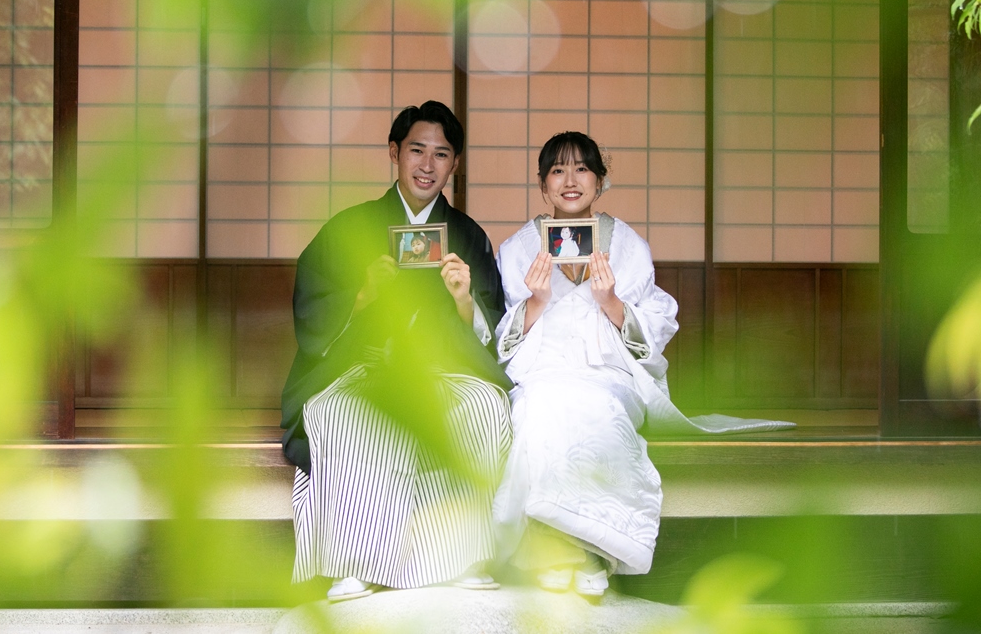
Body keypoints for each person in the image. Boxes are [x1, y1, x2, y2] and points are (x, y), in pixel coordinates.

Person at [492, 131, 793, 598]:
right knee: (539, 412)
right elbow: (504, 340)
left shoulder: (626, 244)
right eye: (558, 170)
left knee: (600, 414)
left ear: (600, 180)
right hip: (545, 374)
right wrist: (535, 301)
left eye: (582, 169)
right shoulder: (517, 250)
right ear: (542, 184)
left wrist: (610, 300)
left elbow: (656, 320)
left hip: (608, 376)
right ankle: (573, 551)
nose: (570, 180)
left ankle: (583, 549)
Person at [280, 101, 512, 601]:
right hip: (361, 367)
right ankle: (355, 561)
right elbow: (312, 305)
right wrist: (361, 295)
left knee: (484, 410)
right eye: (417, 150)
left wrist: (463, 301)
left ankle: (461, 556)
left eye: (442, 154)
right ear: (394, 152)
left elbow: (497, 324)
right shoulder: (351, 227)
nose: (428, 165)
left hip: (445, 369)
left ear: (455, 165)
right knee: (347, 415)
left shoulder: (468, 236)